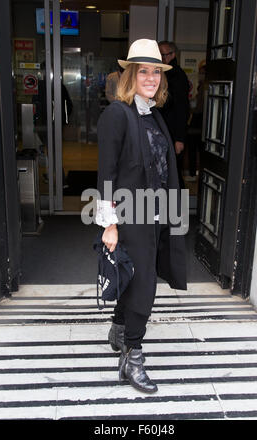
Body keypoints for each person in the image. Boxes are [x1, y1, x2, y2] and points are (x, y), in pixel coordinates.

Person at [96, 39, 187, 394]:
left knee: (134, 279)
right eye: (143, 71)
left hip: (154, 213)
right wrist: (110, 224)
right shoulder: (117, 114)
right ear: (129, 75)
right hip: (129, 215)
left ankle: (119, 330)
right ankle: (133, 357)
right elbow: (105, 174)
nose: (151, 77)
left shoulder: (153, 114)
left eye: (156, 72)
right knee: (144, 287)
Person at [158, 41, 190, 188]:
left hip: (172, 133)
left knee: (174, 174)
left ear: (173, 54)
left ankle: (180, 210)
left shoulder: (177, 76)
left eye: (165, 54)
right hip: (163, 132)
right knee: (166, 174)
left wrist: (179, 138)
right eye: (160, 55)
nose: (163, 58)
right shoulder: (162, 73)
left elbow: (182, 108)